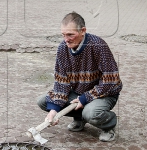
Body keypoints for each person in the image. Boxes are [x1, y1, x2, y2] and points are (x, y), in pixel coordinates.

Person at [37, 12, 122, 142]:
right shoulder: (62, 49)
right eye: (63, 35)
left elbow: (111, 80)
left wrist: (85, 98)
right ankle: (80, 118)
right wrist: (54, 110)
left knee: (91, 113)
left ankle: (108, 125)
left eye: (70, 34)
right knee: (44, 101)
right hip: (79, 93)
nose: (66, 39)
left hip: (105, 94)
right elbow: (61, 83)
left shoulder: (98, 46)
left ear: (83, 31)